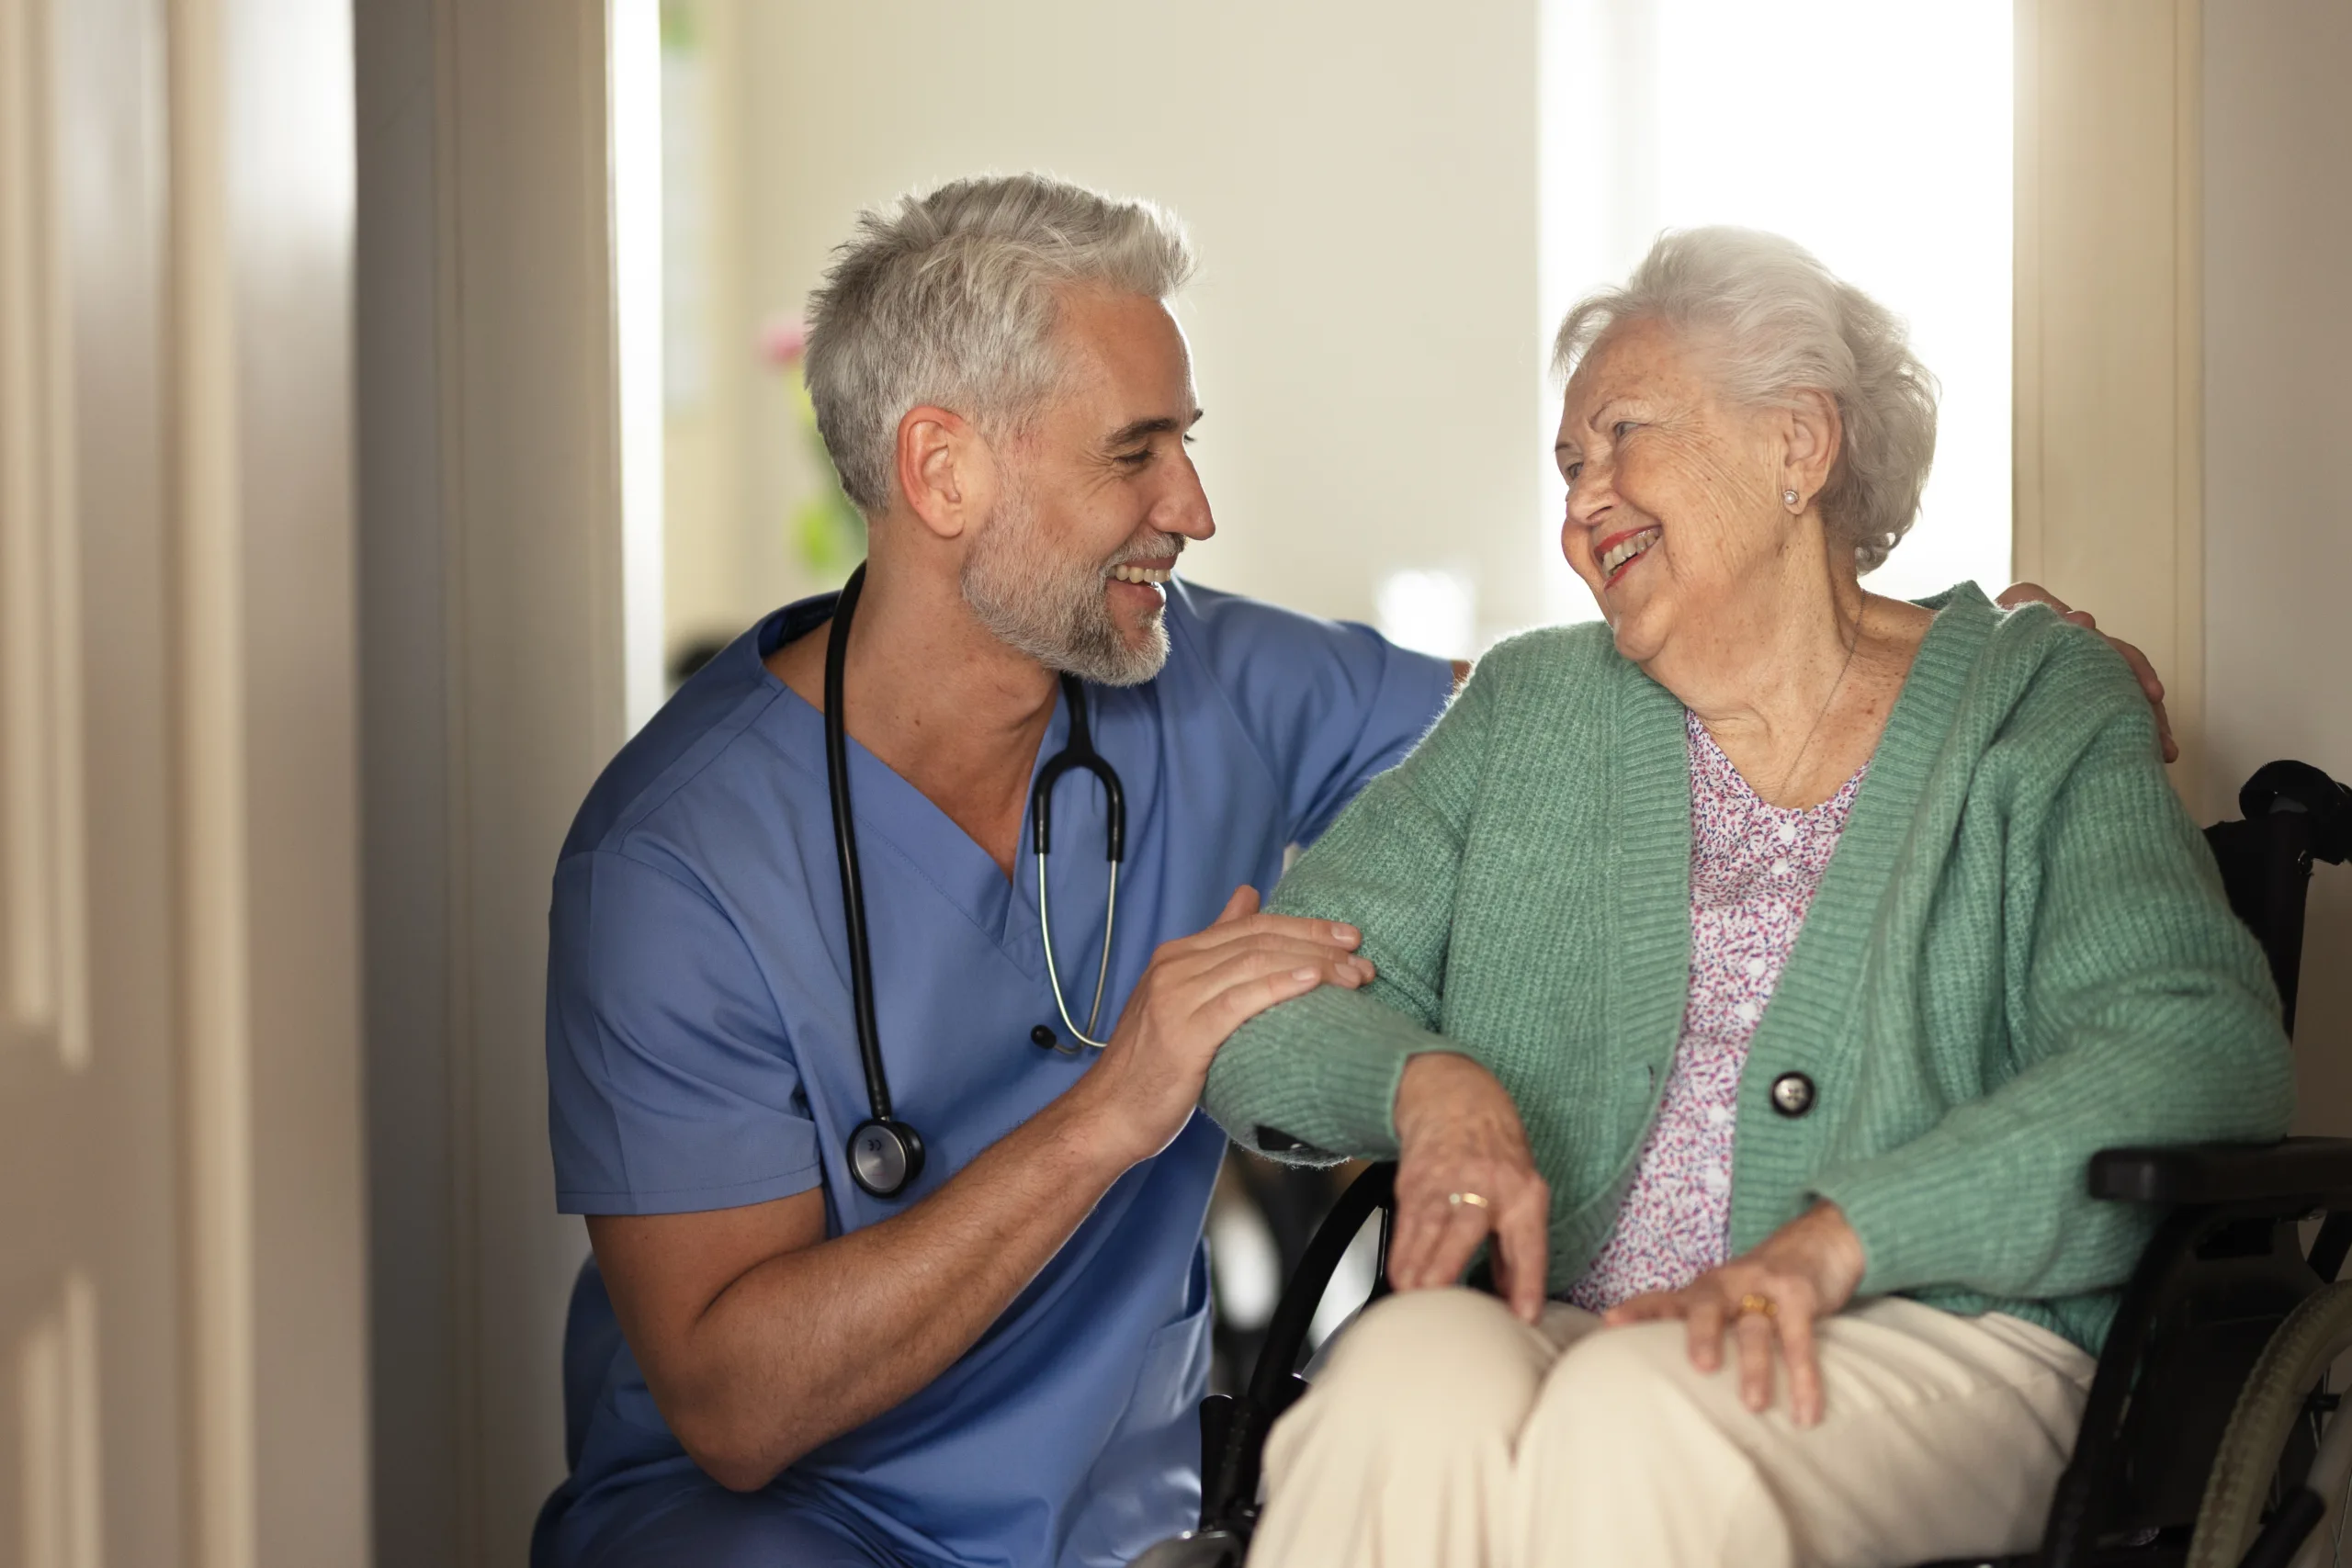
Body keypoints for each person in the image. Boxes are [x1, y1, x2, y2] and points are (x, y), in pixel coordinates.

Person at [534, 175, 2171, 1568]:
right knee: (1408, 1393)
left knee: (1582, 1417)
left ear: (1799, 444)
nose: (1199, 503)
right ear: (945, 471)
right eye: (1137, 452)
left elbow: (1584, 717)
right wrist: (1161, 1102)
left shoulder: (1215, 677)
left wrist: (1992, 670)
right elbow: (734, 1412)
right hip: (771, 1531)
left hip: (1114, 1517)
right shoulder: (675, 863)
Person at [1201, 228, 2290, 1568]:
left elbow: (2198, 1044)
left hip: (1950, 1329)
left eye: (1621, 436)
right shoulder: (1530, 705)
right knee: (1400, 1381)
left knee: (1640, 1415)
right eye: (1567, 465)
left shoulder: (2033, 705)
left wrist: (1847, 1237)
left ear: (1799, 444)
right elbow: (1268, 1005)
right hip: (1587, 1319)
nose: (1582, 497)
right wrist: (1428, 1083)